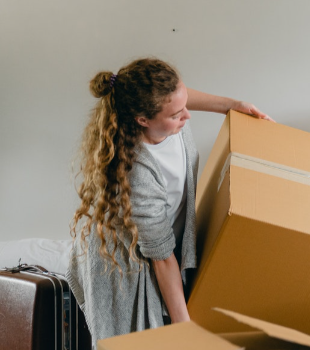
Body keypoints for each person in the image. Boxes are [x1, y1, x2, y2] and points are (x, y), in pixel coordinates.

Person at [67, 57, 273, 341]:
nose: (187, 116)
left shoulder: (167, 117)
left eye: (184, 105)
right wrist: (183, 330)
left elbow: (180, 96)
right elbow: (162, 260)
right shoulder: (136, 173)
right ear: (143, 120)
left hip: (160, 249)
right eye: (177, 114)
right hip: (125, 267)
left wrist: (233, 105)